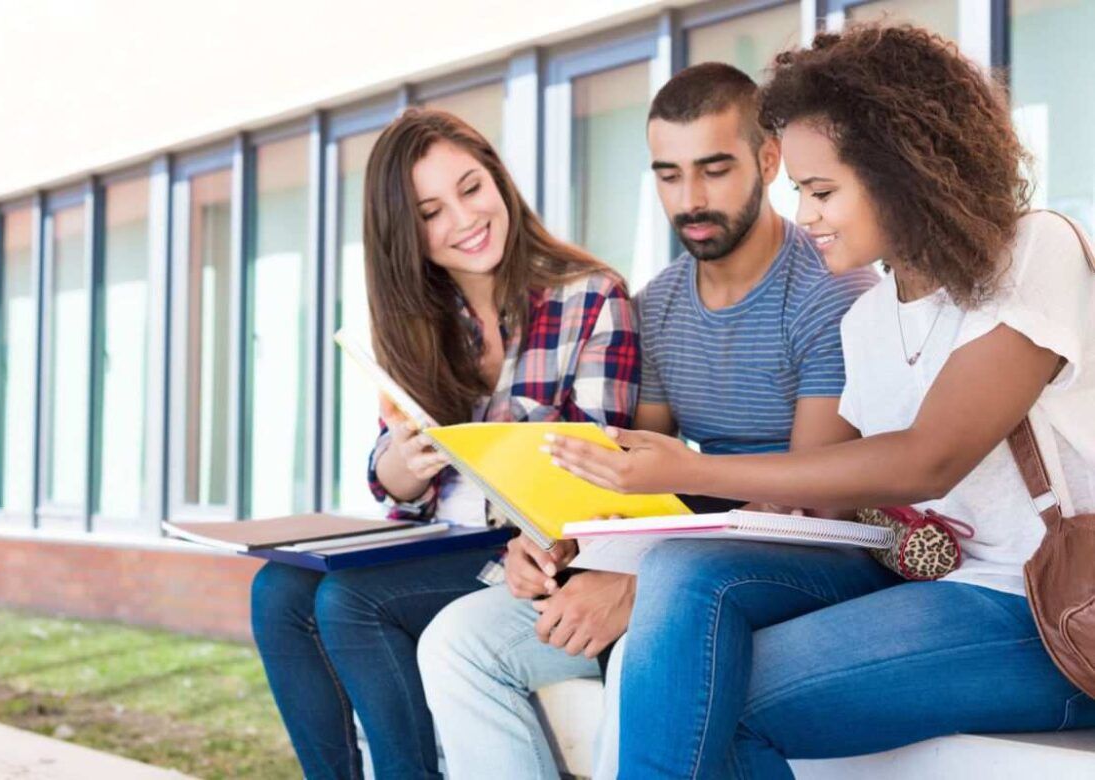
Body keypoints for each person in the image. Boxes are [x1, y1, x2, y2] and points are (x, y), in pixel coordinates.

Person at [547, 24, 1095, 779]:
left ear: (902, 173)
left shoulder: (1037, 252)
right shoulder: (866, 318)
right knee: (684, 572)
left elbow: (926, 460)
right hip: (924, 577)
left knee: (712, 701)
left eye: (821, 190)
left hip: (1046, 613)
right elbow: (831, 497)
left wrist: (698, 472)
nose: (805, 216)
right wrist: (601, 544)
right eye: (799, 191)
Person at [417, 62, 880, 779]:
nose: (689, 199)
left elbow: (809, 500)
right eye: (668, 175)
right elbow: (629, 480)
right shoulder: (657, 303)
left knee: (651, 645)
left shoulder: (833, 290)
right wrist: (560, 545)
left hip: (817, 555)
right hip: (693, 550)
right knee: (455, 641)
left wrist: (638, 586)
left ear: (767, 160)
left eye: (714, 170)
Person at [249, 108, 639, 780]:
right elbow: (390, 480)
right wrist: (402, 463)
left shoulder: (592, 297)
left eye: (471, 188)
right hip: (436, 538)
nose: (463, 219)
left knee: (350, 605)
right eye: (430, 211)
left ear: (498, 179)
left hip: (529, 549)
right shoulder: (410, 318)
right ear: (405, 233)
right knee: (276, 594)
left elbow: (600, 473)